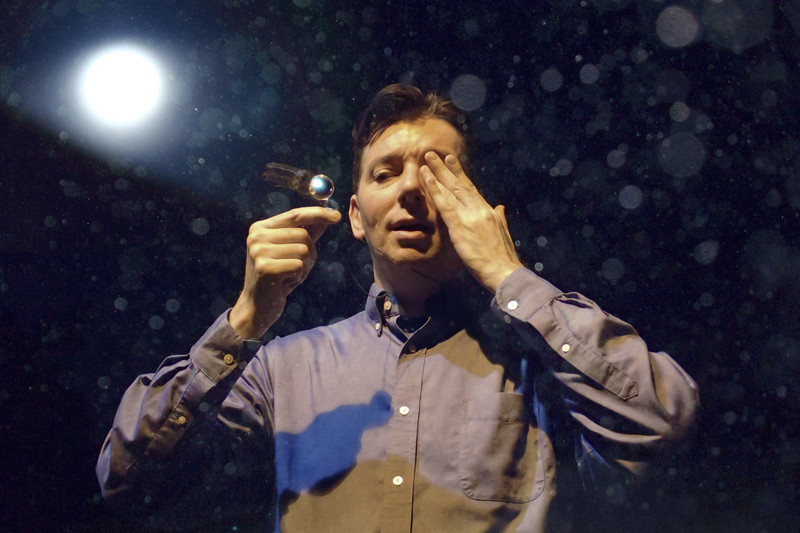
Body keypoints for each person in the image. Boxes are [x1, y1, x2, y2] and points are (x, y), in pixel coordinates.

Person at [97, 84, 699, 532]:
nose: (411, 188)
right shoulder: (282, 369)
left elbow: (660, 425)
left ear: (472, 202)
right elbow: (128, 481)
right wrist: (244, 322)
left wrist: (507, 274)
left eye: (437, 173)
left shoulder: (538, 358)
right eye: (385, 174)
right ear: (357, 216)